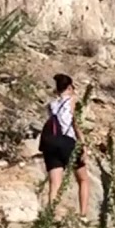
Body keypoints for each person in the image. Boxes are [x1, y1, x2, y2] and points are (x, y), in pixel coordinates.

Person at [39, 73, 89, 217]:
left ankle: (51, 215)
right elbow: (76, 123)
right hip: (67, 142)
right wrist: (84, 145)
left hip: (50, 143)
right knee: (83, 179)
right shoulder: (72, 101)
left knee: (55, 183)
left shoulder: (51, 105)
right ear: (69, 87)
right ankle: (83, 214)